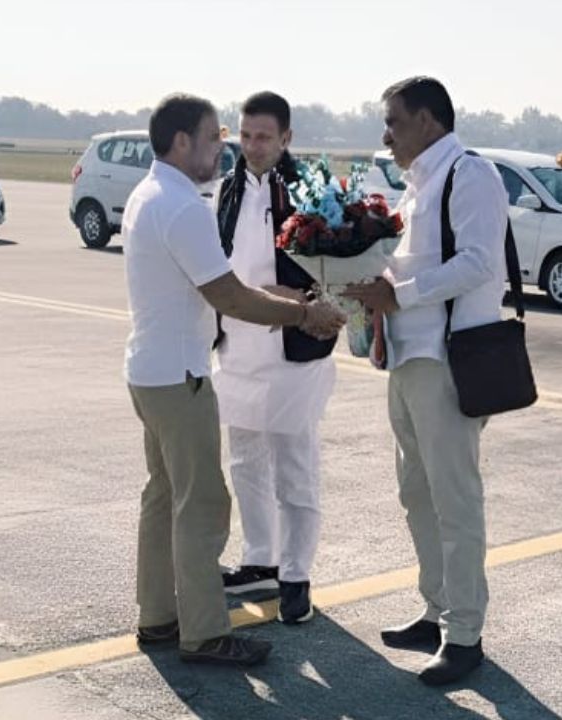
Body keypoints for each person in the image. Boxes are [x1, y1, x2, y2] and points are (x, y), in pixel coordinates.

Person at [123, 93, 344, 668]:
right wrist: (301, 312)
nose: (229, 147)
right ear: (181, 144)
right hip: (185, 374)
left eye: (250, 136)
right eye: (216, 137)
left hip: (151, 371)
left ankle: (157, 618)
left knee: (164, 497)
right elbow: (229, 294)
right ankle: (203, 633)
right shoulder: (187, 205)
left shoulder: (148, 194)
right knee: (201, 507)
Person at [343, 76, 508, 686]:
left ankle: (464, 634)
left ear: (430, 122)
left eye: (394, 121)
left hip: (448, 362)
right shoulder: (416, 186)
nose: (385, 133)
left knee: (455, 499)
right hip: (408, 358)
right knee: (416, 494)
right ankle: (437, 610)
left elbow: (478, 262)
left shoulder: (471, 175)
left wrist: (397, 293)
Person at [212, 91, 336, 625]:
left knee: (295, 465)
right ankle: (259, 558)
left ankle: (296, 574)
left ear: (286, 138)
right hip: (238, 345)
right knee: (243, 461)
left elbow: (334, 268)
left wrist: (306, 302)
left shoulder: (312, 192)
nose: (252, 146)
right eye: (244, 135)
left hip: (294, 345)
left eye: (263, 136)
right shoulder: (227, 188)